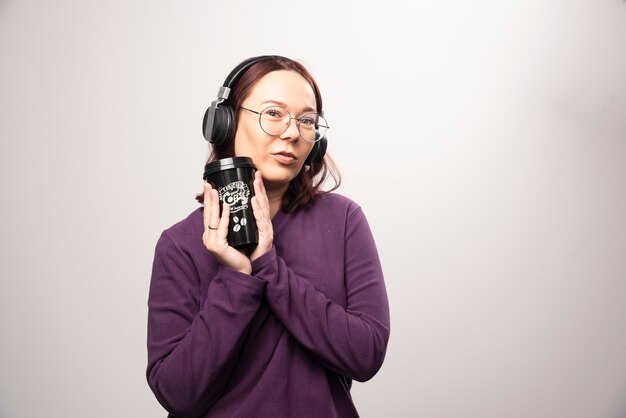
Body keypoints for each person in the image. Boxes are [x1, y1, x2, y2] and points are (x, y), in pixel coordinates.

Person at [146, 55, 390, 418]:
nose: (292, 132)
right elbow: (178, 393)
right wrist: (234, 279)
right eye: (273, 114)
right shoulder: (180, 244)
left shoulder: (342, 220)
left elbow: (365, 354)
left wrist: (268, 267)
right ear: (225, 124)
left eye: (306, 120)